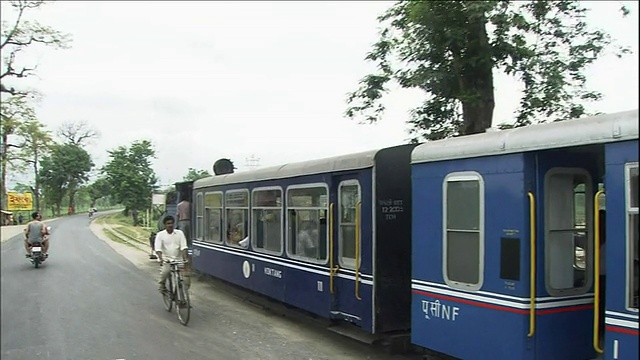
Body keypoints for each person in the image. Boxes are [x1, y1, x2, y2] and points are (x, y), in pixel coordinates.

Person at [155, 215, 189, 293]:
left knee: (186, 280)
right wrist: (161, 259)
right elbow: (158, 249)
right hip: (166, 260)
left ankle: (183, 296)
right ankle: (162, 285)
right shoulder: (160, 235)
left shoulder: (180, 233)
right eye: (168, 223)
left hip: (178, 259)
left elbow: (183, 247)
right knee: (165, 272)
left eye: (171, 223)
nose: (170, 225)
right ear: (165, 225)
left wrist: (185, 258)